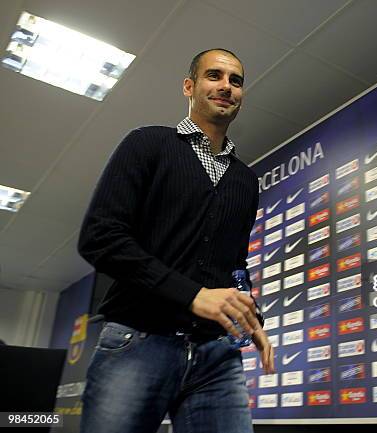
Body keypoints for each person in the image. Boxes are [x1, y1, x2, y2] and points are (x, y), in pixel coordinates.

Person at [78, 48, 274, 433]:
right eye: (214, 76)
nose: (226, 86)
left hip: (216, 354)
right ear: (189, 86)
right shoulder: (148, 143)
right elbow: (100, 238)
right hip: (137, 340)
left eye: (235, 81)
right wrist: (193, 294)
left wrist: (252, 320)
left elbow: (235, 265)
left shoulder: (246, 181)